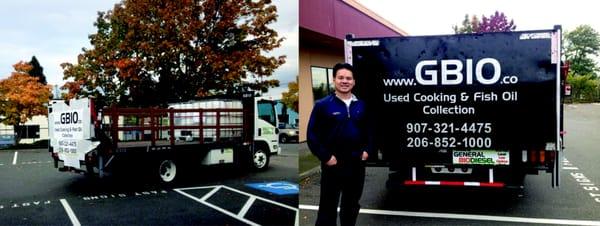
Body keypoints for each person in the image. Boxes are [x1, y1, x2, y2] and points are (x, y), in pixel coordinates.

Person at [307, 62, 373, 226]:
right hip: (333, 164)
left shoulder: (362, 105)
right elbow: (312, 135)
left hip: (356, 164)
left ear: (354, 82)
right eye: (341, 77)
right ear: (334, 80)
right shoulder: (323, 105)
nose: (345, 81)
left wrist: (367, 151)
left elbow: (371, 131)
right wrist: (326, 157)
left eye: (348, 78)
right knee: (327, 207)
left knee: (351, 205)